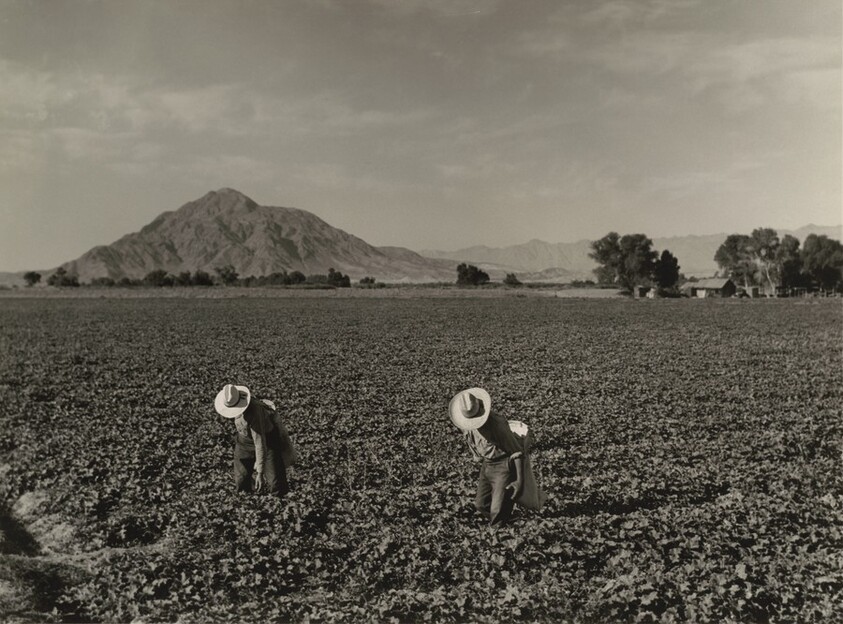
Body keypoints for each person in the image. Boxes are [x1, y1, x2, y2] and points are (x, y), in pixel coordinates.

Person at [449, 387, 545, 526]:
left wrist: (519, 481)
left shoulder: (497, 425)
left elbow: (517, 453)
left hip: (503, 464)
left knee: (497, 510)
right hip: (487, 464)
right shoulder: (466, 423)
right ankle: (506, 519)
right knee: (481, 505)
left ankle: (499, 532)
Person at [214, 384, 295, 498]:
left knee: (275, 482)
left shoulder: (255, 412)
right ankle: (246, 501)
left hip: (267, 441)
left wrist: (260, 474)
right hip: (244, 441)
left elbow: (260, 444)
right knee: (241, 479)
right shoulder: (235, 405)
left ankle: (281, 502)